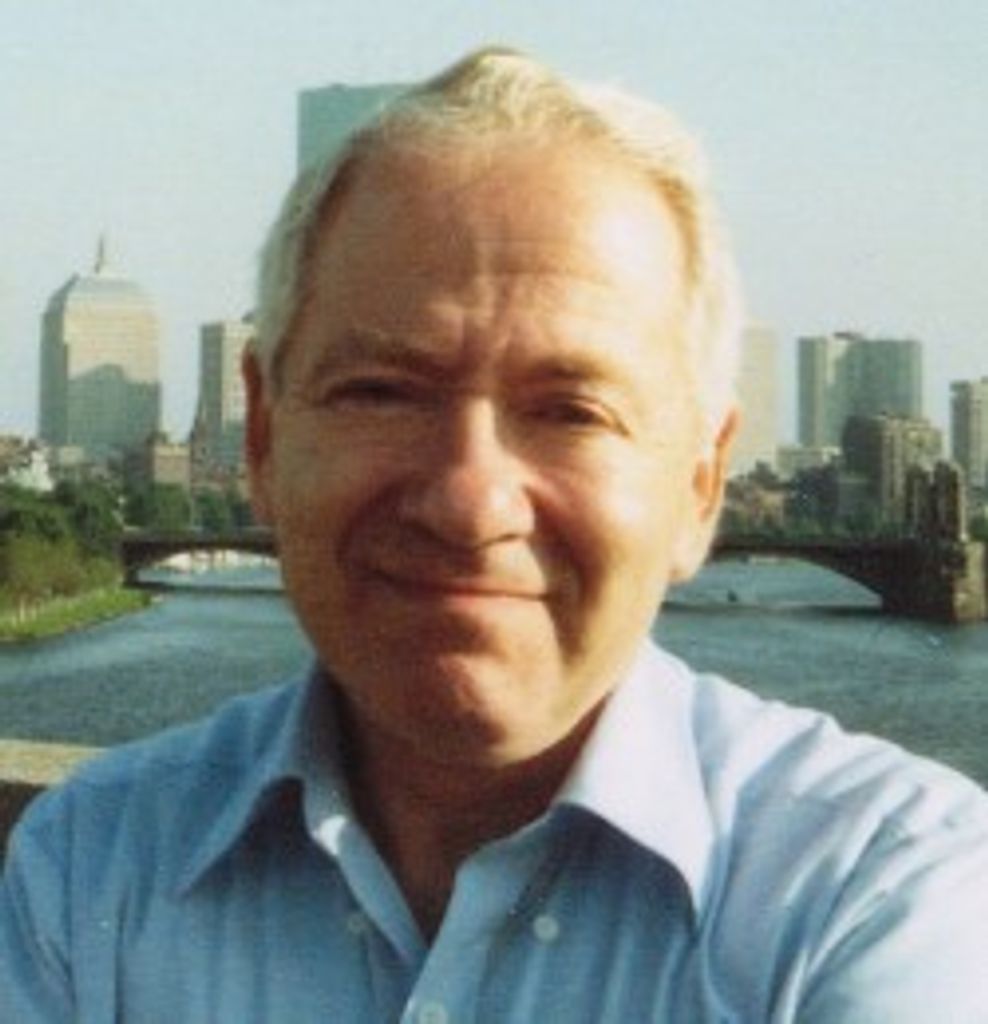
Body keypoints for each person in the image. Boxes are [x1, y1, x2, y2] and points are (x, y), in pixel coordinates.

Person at [2, 47, 987, 1023]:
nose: (470, 503)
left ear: (700, 481)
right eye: (381, 393)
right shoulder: (84, 866)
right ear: (263, 438)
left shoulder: (887, 895)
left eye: (571, 411)